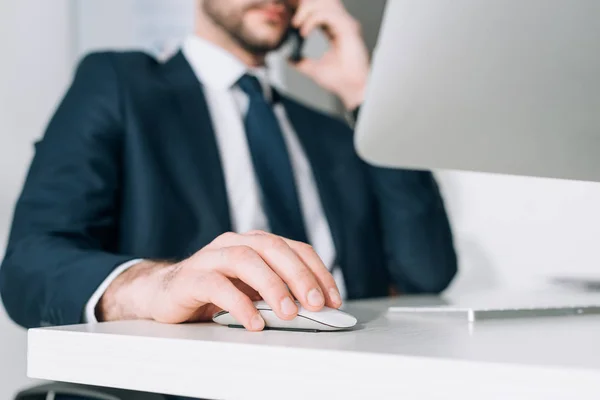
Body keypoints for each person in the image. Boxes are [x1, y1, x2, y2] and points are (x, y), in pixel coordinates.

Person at [0, 0, 457, 335]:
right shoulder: (120, 85)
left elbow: (428, 270)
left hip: (360, 363)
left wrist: (364, 96)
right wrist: (159, 286)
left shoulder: (332, 131)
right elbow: (29, 265)